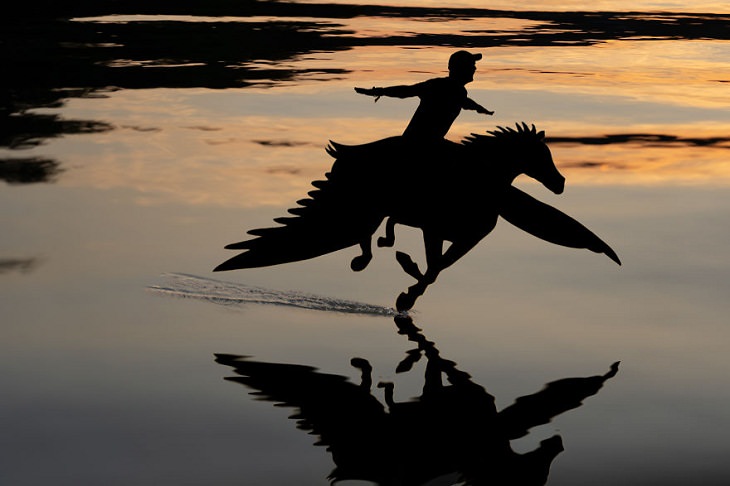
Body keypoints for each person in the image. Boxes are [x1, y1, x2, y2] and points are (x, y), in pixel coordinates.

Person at [355, 50, 494, 141]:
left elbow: (465, 102)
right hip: (418, 144)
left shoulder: (456, 90)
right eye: (471, 65)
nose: (474, 68)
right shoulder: (439, 86)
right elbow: (406, 91)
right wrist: (380, 91)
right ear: (460, 68)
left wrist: (480, 108)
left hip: (434, 143)